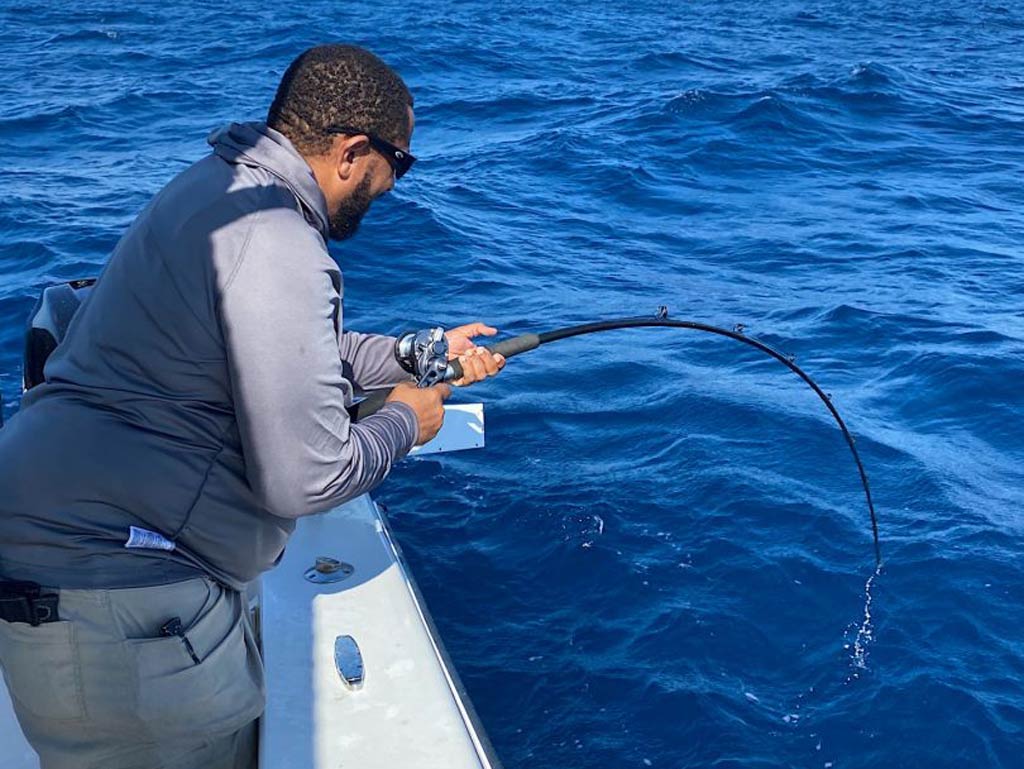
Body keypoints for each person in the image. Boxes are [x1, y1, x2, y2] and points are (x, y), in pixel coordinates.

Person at [0, 44, 504, 769]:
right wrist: (405, 421)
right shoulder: (279, 242)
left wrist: (416, 353)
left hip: (74, 566)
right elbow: (306, 478)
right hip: (122, 603)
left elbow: (289, 351)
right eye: (399, 161)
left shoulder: (216, 189)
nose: (395, 183)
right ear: (351, 151)